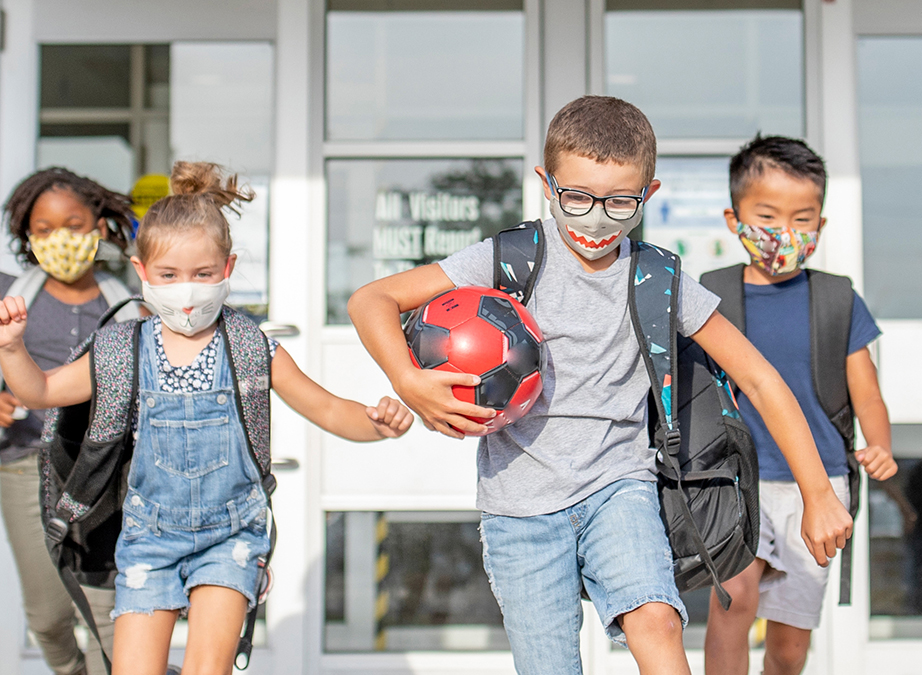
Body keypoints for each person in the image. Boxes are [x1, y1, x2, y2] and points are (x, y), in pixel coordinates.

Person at [347, 95, 854, 675]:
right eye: (578, 197)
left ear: (648, 195)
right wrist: (409, 381)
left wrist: (818, 494)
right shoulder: (513, 257)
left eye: (619, 202)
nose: (595, 218)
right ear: (547, 183)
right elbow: (371, 300)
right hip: (520, 507)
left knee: (658, 621)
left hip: (621, 487)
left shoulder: (658, 275)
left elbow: (760, 380)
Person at [0, 161, 415, 675]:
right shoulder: (121, 348)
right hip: (148, 537)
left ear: (228, 267)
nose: (187, 290)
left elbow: (328, 409)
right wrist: (12, 348)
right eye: (169, 276)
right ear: (141, 271)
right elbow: (40, 391)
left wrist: (379, 423)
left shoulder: (250, 347)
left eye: (203, 274)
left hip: (230, 537)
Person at [701, 136, 896, 675]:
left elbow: (868, 391)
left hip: (819, 486)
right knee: (734, 600)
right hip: (735, 481)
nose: (784, 231)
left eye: (802, 218)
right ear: (734, 217)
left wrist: (878, 444)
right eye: (767, 214)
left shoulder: (837, 300)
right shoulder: (709, 297)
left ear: (821, 226)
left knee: (788, 647)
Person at [0, 168, 140, 675]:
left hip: (107, 472)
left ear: (98, 227)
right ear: (27, 237)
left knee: (107, 612)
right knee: (49, 615)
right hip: (25, 466)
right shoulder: (7, 297)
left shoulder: (131, 307)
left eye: (73, 223)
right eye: (43, 229)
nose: (59, 238)